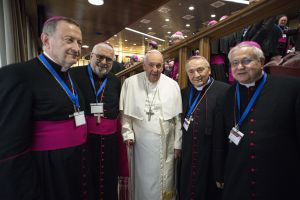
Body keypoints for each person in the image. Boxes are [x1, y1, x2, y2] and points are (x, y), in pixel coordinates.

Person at [0, 16, 87, 200]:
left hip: (72, 169)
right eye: (69, 40)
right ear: (46, 40)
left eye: (79, 42)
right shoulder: (19, 75)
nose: (77, 48)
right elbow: (10, 149)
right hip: (45, 175)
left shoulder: (69, 76)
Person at [222, 41, 300, 200]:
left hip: (280, 179)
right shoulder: (227, 95)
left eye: (246, 61)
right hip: (238, 180)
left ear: (262, 62)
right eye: (235, 63)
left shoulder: (291, 87)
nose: (240, 67)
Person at [120, 50, 182, 200]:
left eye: (159, 66)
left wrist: (178, 144)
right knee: (142, 180)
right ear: (144, 66)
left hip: (165, 143)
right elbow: (126, 115)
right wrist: (128, 134)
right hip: (140, 145)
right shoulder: (130, 83)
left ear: (163, 67)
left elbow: (177, 119)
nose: (155, 70)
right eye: (151, 65)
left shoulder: (172, 85)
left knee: (164, 180)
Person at [70, 42, 121, 200]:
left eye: (108, 59)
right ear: (91, 56)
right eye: (100, 57)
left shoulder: (114, 80)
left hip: (109, 141)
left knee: (108, 179)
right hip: (84, 139)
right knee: (85, 179)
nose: (104, 62)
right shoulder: (74, 74)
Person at [179, 56, 229, 200]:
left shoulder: (224, 90)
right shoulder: (184, 93)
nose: (196, 75)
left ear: (209, 70)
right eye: (191, 71)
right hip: (189, 151)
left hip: (213, 152)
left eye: (200, 70)